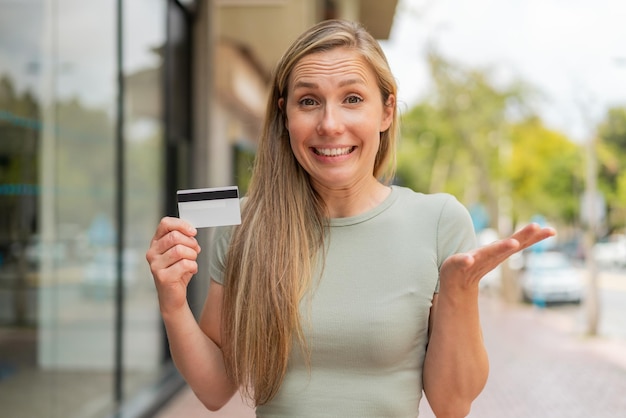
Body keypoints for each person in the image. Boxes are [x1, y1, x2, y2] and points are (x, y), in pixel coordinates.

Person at [146, 19, 555, 417]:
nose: (329, 124)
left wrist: (457, 292)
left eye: (353, 99)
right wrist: (173, 303)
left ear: (386, 111)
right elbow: (216, 389)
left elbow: (452, 406)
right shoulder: (247, 227)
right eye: (309, 101)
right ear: (285, 115)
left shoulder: (439, 221)